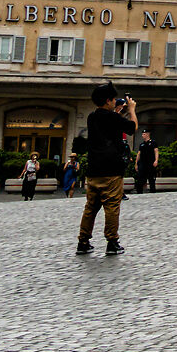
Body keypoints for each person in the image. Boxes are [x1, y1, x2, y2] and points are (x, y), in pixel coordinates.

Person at [76, 84, 136, 256]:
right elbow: (132, 128)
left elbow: (109, 122)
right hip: (111, 169)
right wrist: (131, 110)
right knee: (111, 207)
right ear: (108, 100)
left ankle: (83, 241)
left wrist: (117, 111)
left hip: (94, 169)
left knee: (90, 208)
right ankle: (112, 242)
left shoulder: (92, 117)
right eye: (113, 99)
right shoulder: (112, 117)